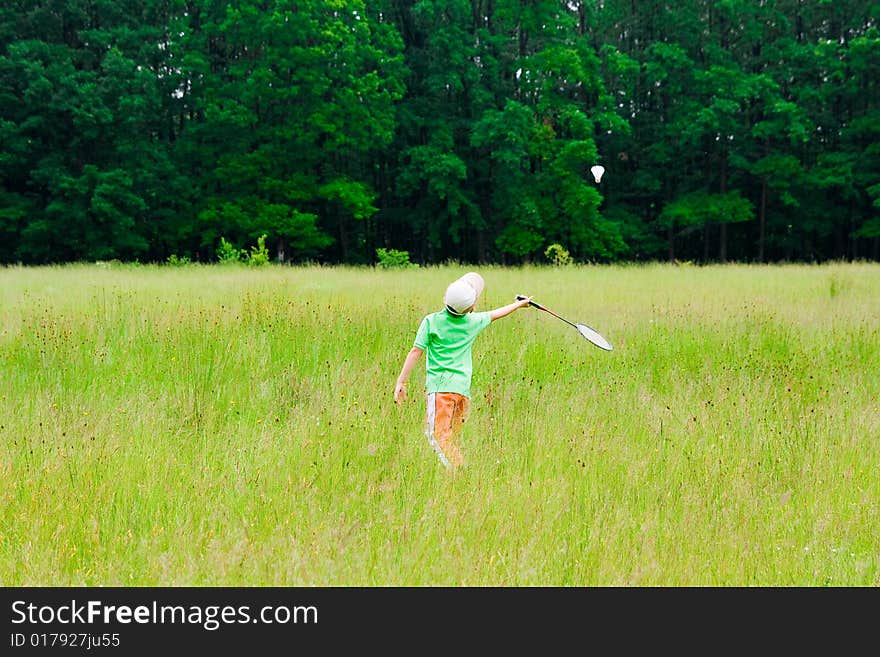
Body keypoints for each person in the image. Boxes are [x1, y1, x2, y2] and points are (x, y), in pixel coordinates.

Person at [393, 272, 532, 470]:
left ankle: (459, 472)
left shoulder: (431, 322)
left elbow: (416, 351)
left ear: (445, 298)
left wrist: (401, 381)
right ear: (471, 307)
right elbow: (497, 313)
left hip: (440, 391)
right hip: (462, 392)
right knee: (450, 438)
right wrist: (519, 304)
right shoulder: (473, 321)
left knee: (436, 436)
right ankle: (453, 472)